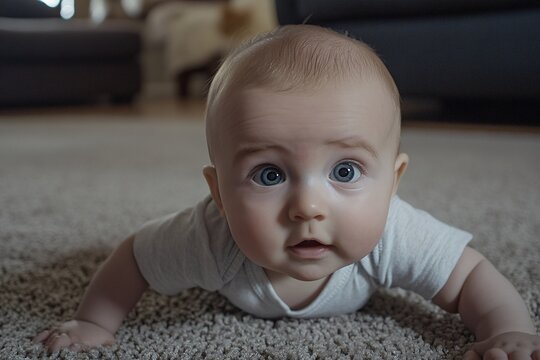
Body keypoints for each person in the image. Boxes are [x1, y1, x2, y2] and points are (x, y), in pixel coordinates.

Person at [34, 25, 540, 359]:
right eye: (269, 175)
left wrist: (506, 328)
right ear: (219, 193)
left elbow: (470, 272)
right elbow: (135, 260)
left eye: (345, 171)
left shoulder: (392, 231)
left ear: (394, 182)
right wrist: (92, 323)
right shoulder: (209, 237)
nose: (308, 207)